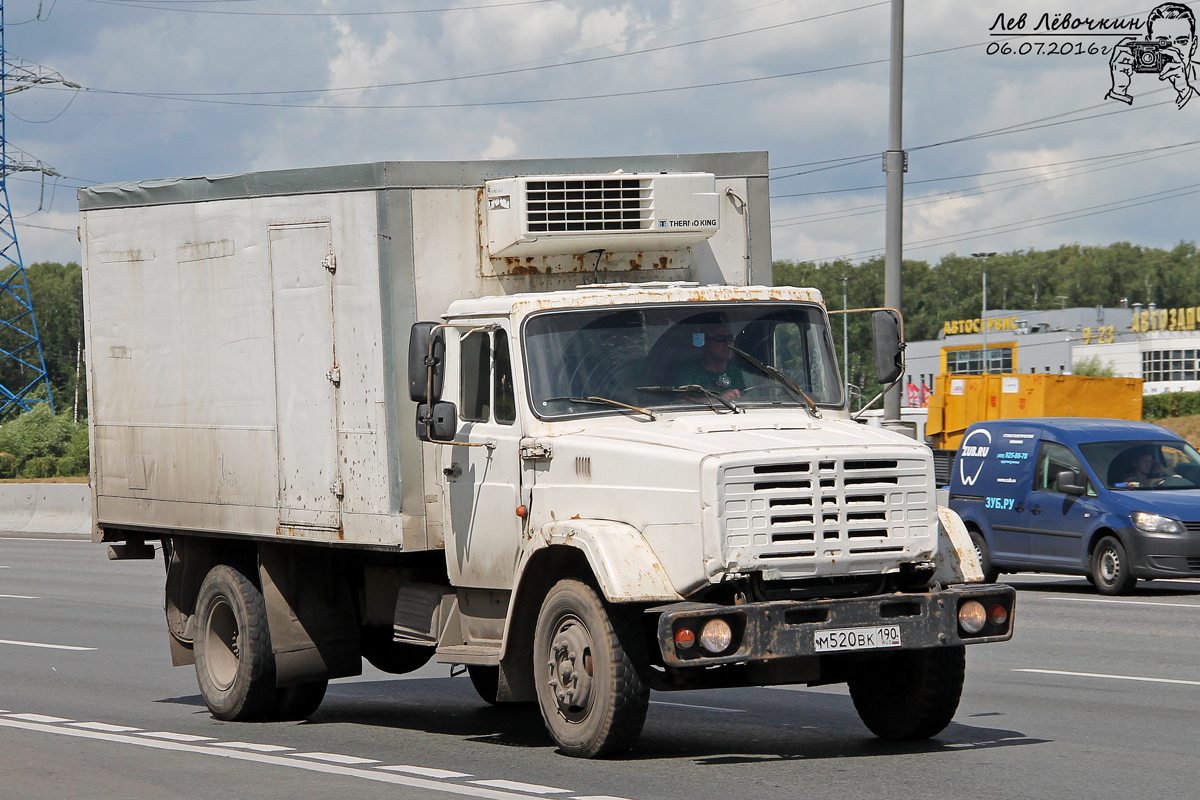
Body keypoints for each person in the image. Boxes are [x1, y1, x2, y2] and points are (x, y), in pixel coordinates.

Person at [1107, 2, 1199, 109]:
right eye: (1162, 42)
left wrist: (1185, 90)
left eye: (1182, 41)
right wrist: (1118, 90)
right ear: (1148, 43)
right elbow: (1101, 123)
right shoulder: (1131, 75)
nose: (1173, 50)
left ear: (1193, 45)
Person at [672, 323, 747, 402]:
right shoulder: (688, 372)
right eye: (720, 339)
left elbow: (754, 398)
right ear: (705, 344)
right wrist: (718, 401)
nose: (728, 344)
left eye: (730, 338)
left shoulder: (739, 373)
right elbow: (682, 401)